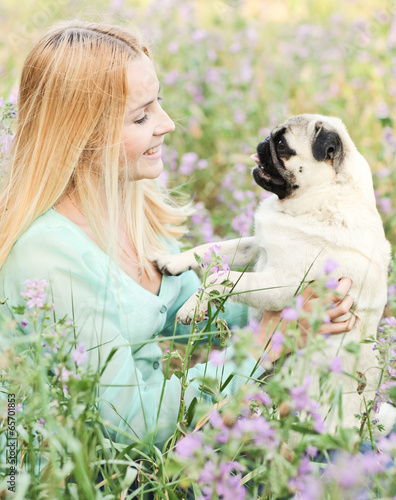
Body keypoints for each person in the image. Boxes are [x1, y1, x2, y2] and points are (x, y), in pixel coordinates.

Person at [0, 20, 355, 450]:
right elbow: (130, 424)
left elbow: (190, 319)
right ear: (83, 134)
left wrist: (294, 301)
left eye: (159, 103)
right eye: (141, 116)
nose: (167, 124)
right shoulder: (49, 258)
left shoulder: (130, 203)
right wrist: (265, 344)